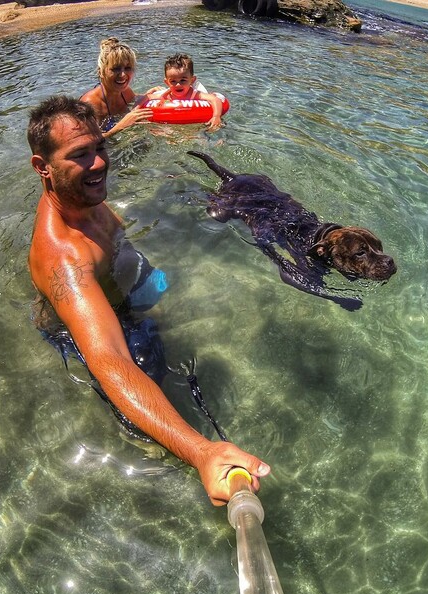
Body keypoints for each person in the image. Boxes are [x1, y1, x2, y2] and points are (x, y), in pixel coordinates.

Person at [27, 95, 270, 505]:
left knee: (162, 324)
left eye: (100, 147)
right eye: (80, 155)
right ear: (43, 168)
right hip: (76, 325)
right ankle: (160, 450)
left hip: (116, 287)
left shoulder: (85, 198)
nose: (100, 163)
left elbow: (121, 252)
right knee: (143, 378)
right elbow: (111, 361)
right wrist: (201, 451)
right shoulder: (65, 258)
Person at [80, 38, 157, 138]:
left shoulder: (126, 92)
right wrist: (121, 126)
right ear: (101, 72)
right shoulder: (90, 104)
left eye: (128, 68)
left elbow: (136, 99)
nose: (123, 75)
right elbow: (85, 142)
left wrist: (151, 95)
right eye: (115, 69)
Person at [149, 53, 224, 131]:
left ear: (192, 80)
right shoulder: (166, 95)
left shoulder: (196, 94)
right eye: (173, 81)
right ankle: (156, 89)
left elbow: (215, 99)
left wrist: (216, 116)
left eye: (183, 80)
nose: (178, 85)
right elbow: (147, 97)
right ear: (167, 82)